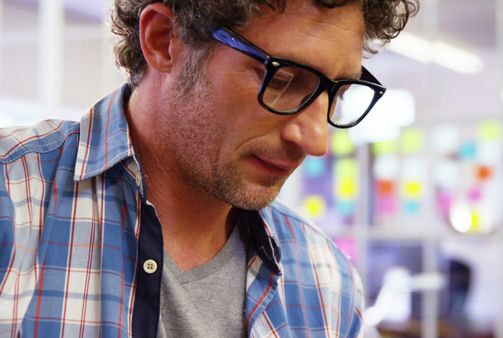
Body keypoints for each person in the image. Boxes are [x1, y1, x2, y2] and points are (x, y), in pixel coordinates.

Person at [0, 0, 417, 336]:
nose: (316, 140)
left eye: (336, 94)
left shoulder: (328, 281)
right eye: (284, 79)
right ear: (164, 39)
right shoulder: (12, 202)